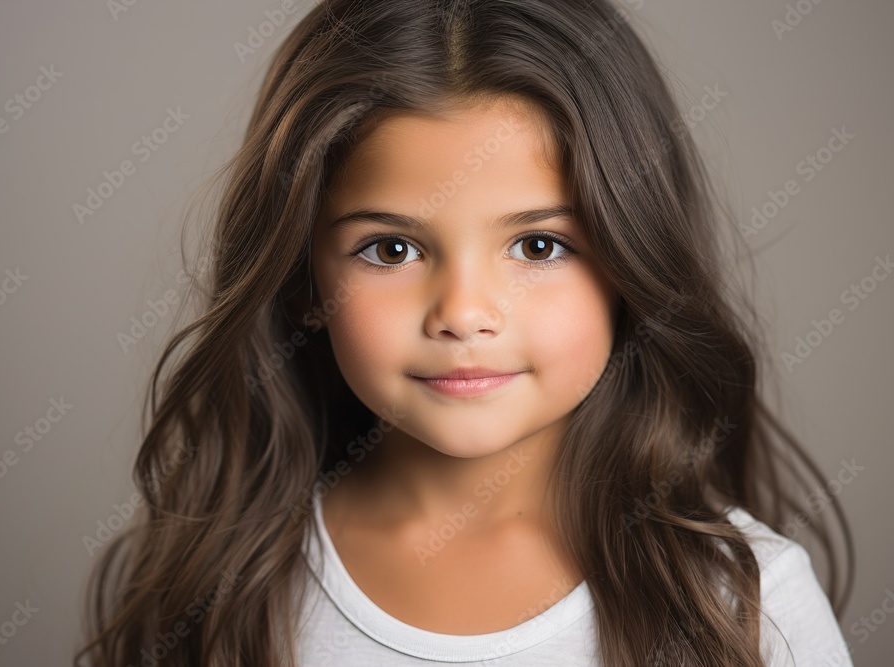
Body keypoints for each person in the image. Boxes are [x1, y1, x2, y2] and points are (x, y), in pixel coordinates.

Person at [74, 1, 856, 665]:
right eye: (392, 249)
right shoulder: (217, 578)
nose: (462, 311)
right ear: (303, 274)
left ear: (631, 262)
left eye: (539, 245)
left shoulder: (744, 603)